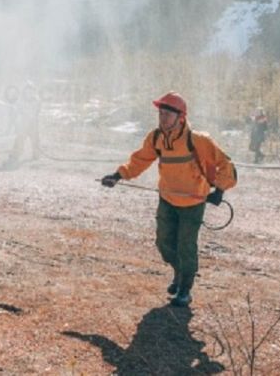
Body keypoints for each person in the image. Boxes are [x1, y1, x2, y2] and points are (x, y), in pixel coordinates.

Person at [101, 92, 237, 307]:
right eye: (160, 113)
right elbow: (139, 161)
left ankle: (185, 289)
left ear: (180, 117)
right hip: (167, 200)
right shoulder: (156, 138)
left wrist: (219, 190)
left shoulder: (198, 140)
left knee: (186, 246)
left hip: (192, 204)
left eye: (167, 114)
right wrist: (118, 176)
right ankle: (179, 272)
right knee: (164, 244)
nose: (162, 118)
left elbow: (225, 164)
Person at [6, 81, 41, 165]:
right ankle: (15, 154)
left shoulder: (36, 100)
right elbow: (16, 110)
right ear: (24, 92)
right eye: (27, 91)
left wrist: (30, 115)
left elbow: (36, 111)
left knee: (35, 139)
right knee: (19, 139)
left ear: (34, 91)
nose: (29, 93)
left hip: (33, 123)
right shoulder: (20, 100)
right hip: (23, 123)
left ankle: (36, 154)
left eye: (31, 91)